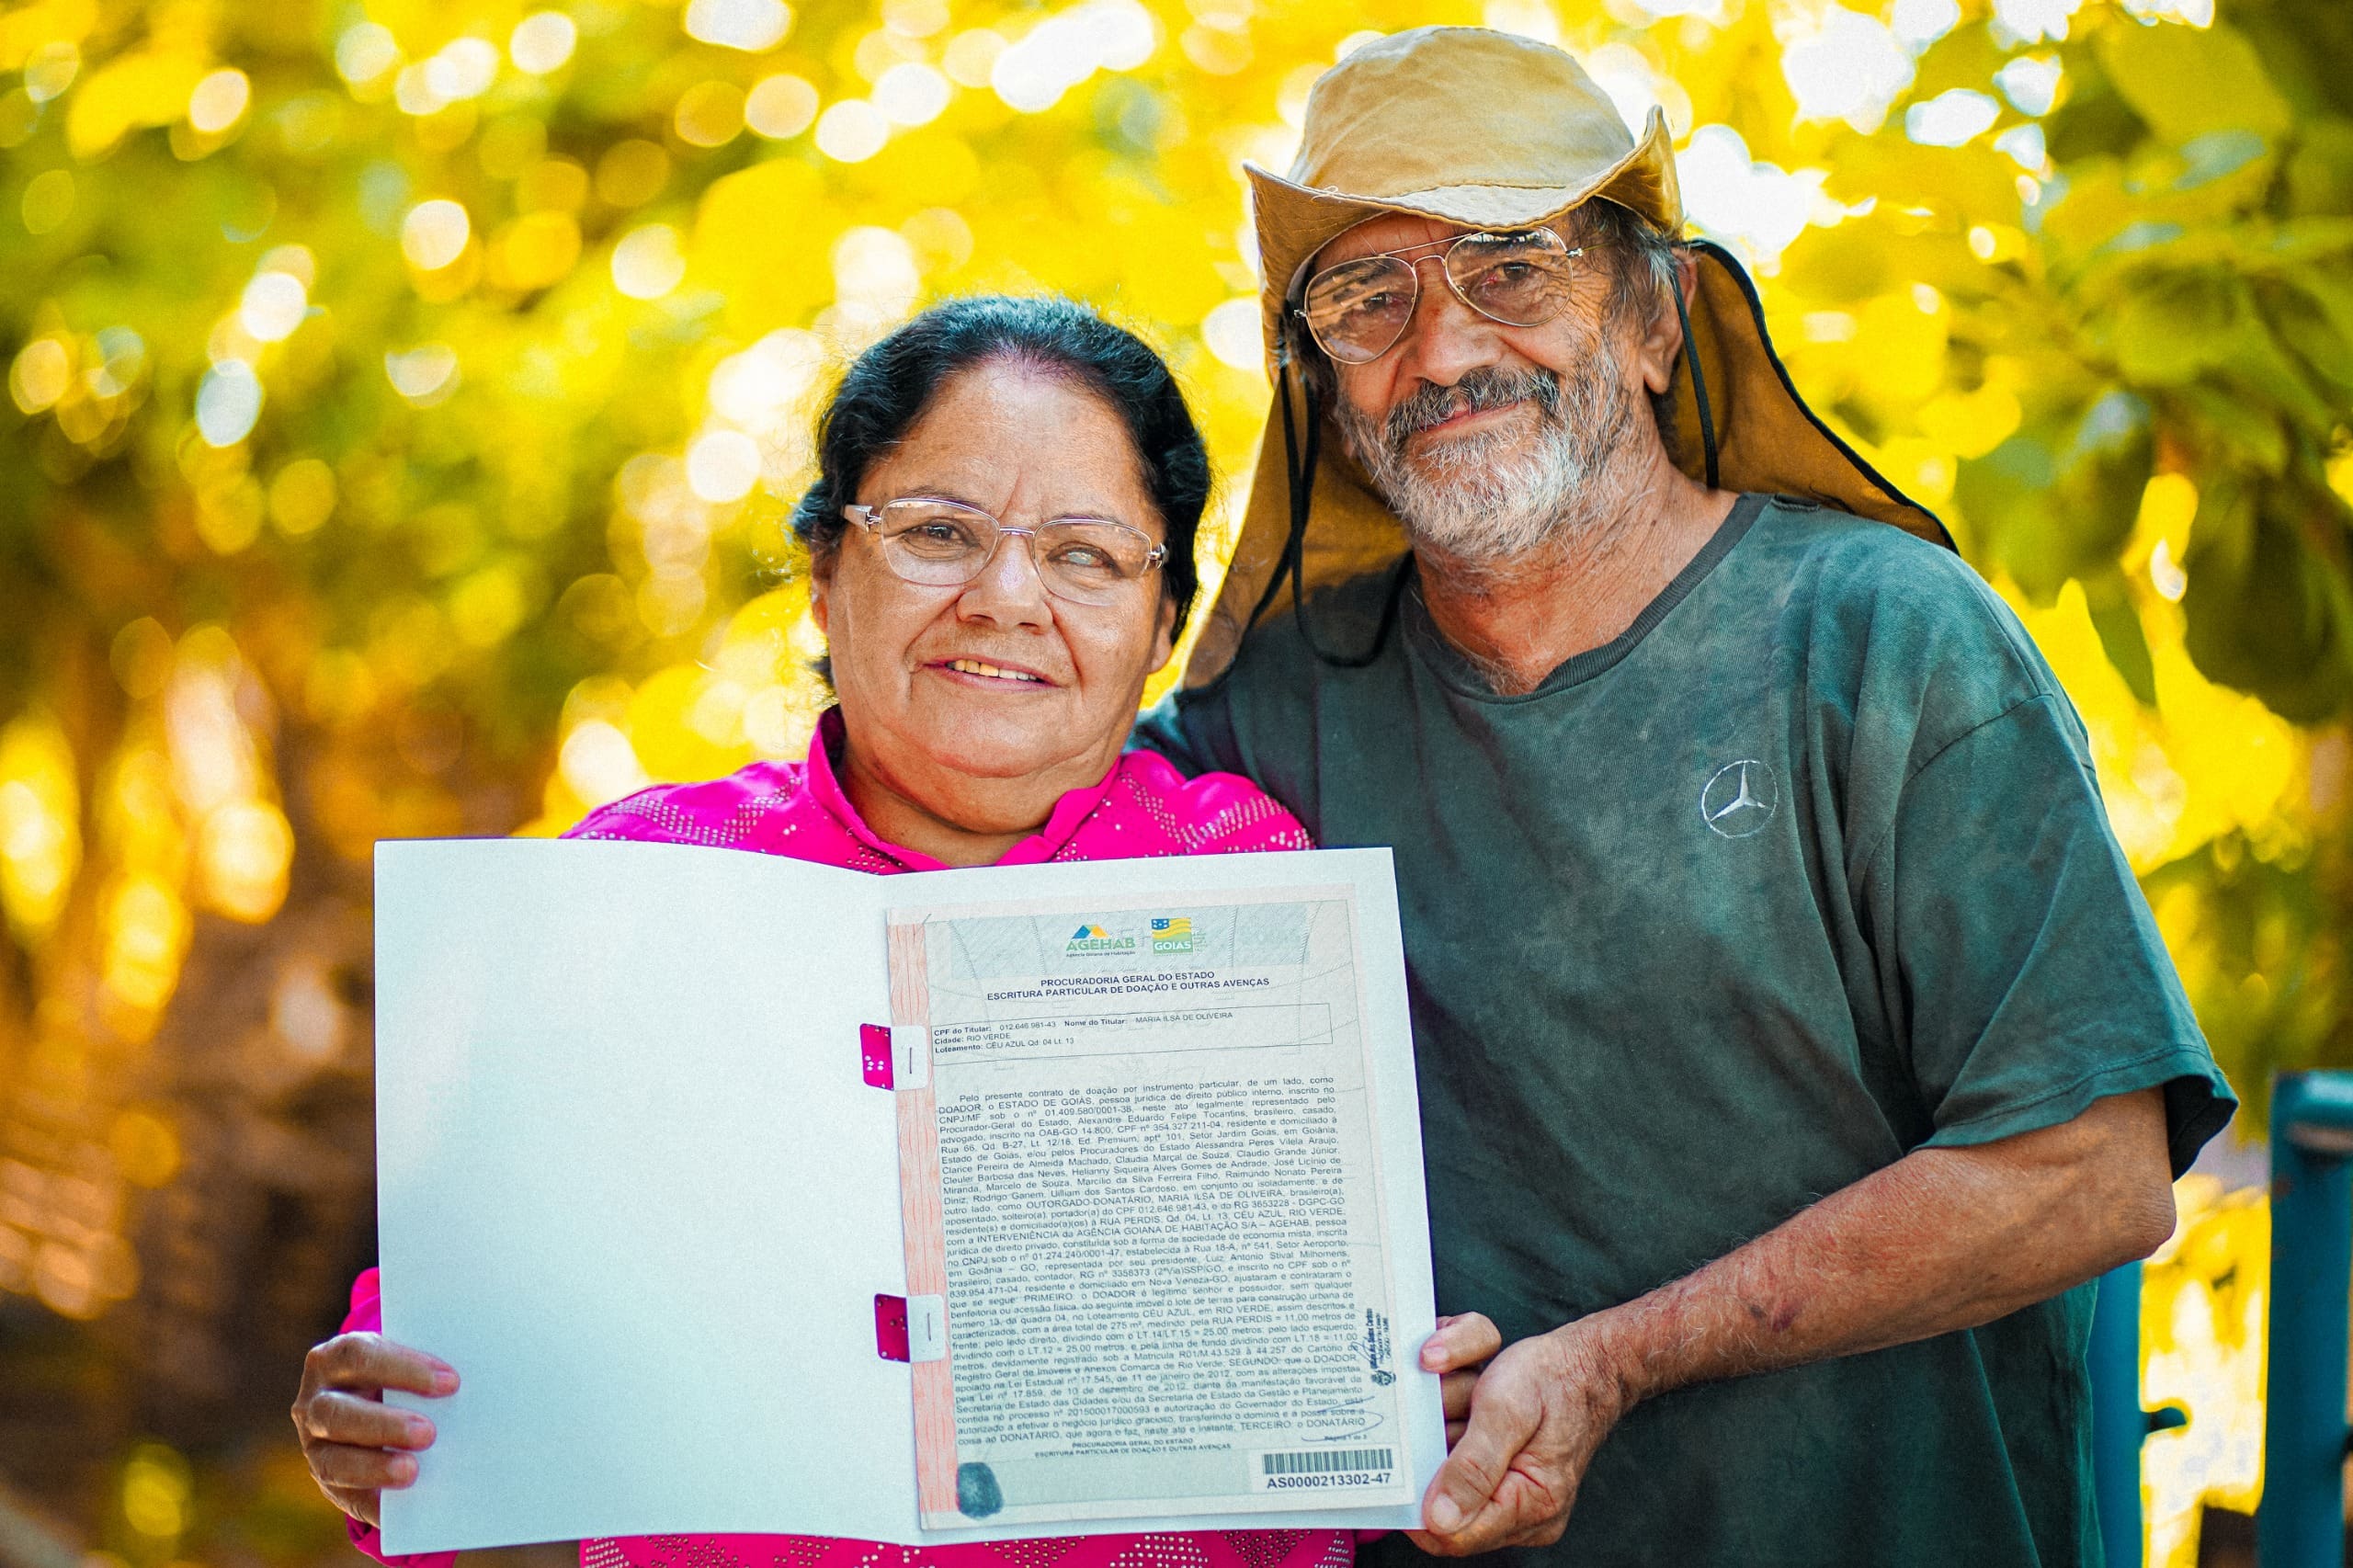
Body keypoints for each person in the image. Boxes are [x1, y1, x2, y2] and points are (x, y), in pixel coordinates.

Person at [1135, 27, 2237, 1568]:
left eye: (1510, 268)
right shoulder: (1270, 719)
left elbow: (2094, 1171)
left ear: (1655, 313)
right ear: (1318, 377)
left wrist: (1610, 1359)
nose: (1441, 353)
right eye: (1367, 300)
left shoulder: (1886, 642)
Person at [291, 295, 1383, 1568]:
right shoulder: (634, 887)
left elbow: (1320, 1369)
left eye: (1087, 555)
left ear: (1160, 630)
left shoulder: (1241, 881)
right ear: (822, 574)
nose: (1006, 596)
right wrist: (377, 1429)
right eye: (937, 531)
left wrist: (1409, 1392)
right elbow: (448, 1351)